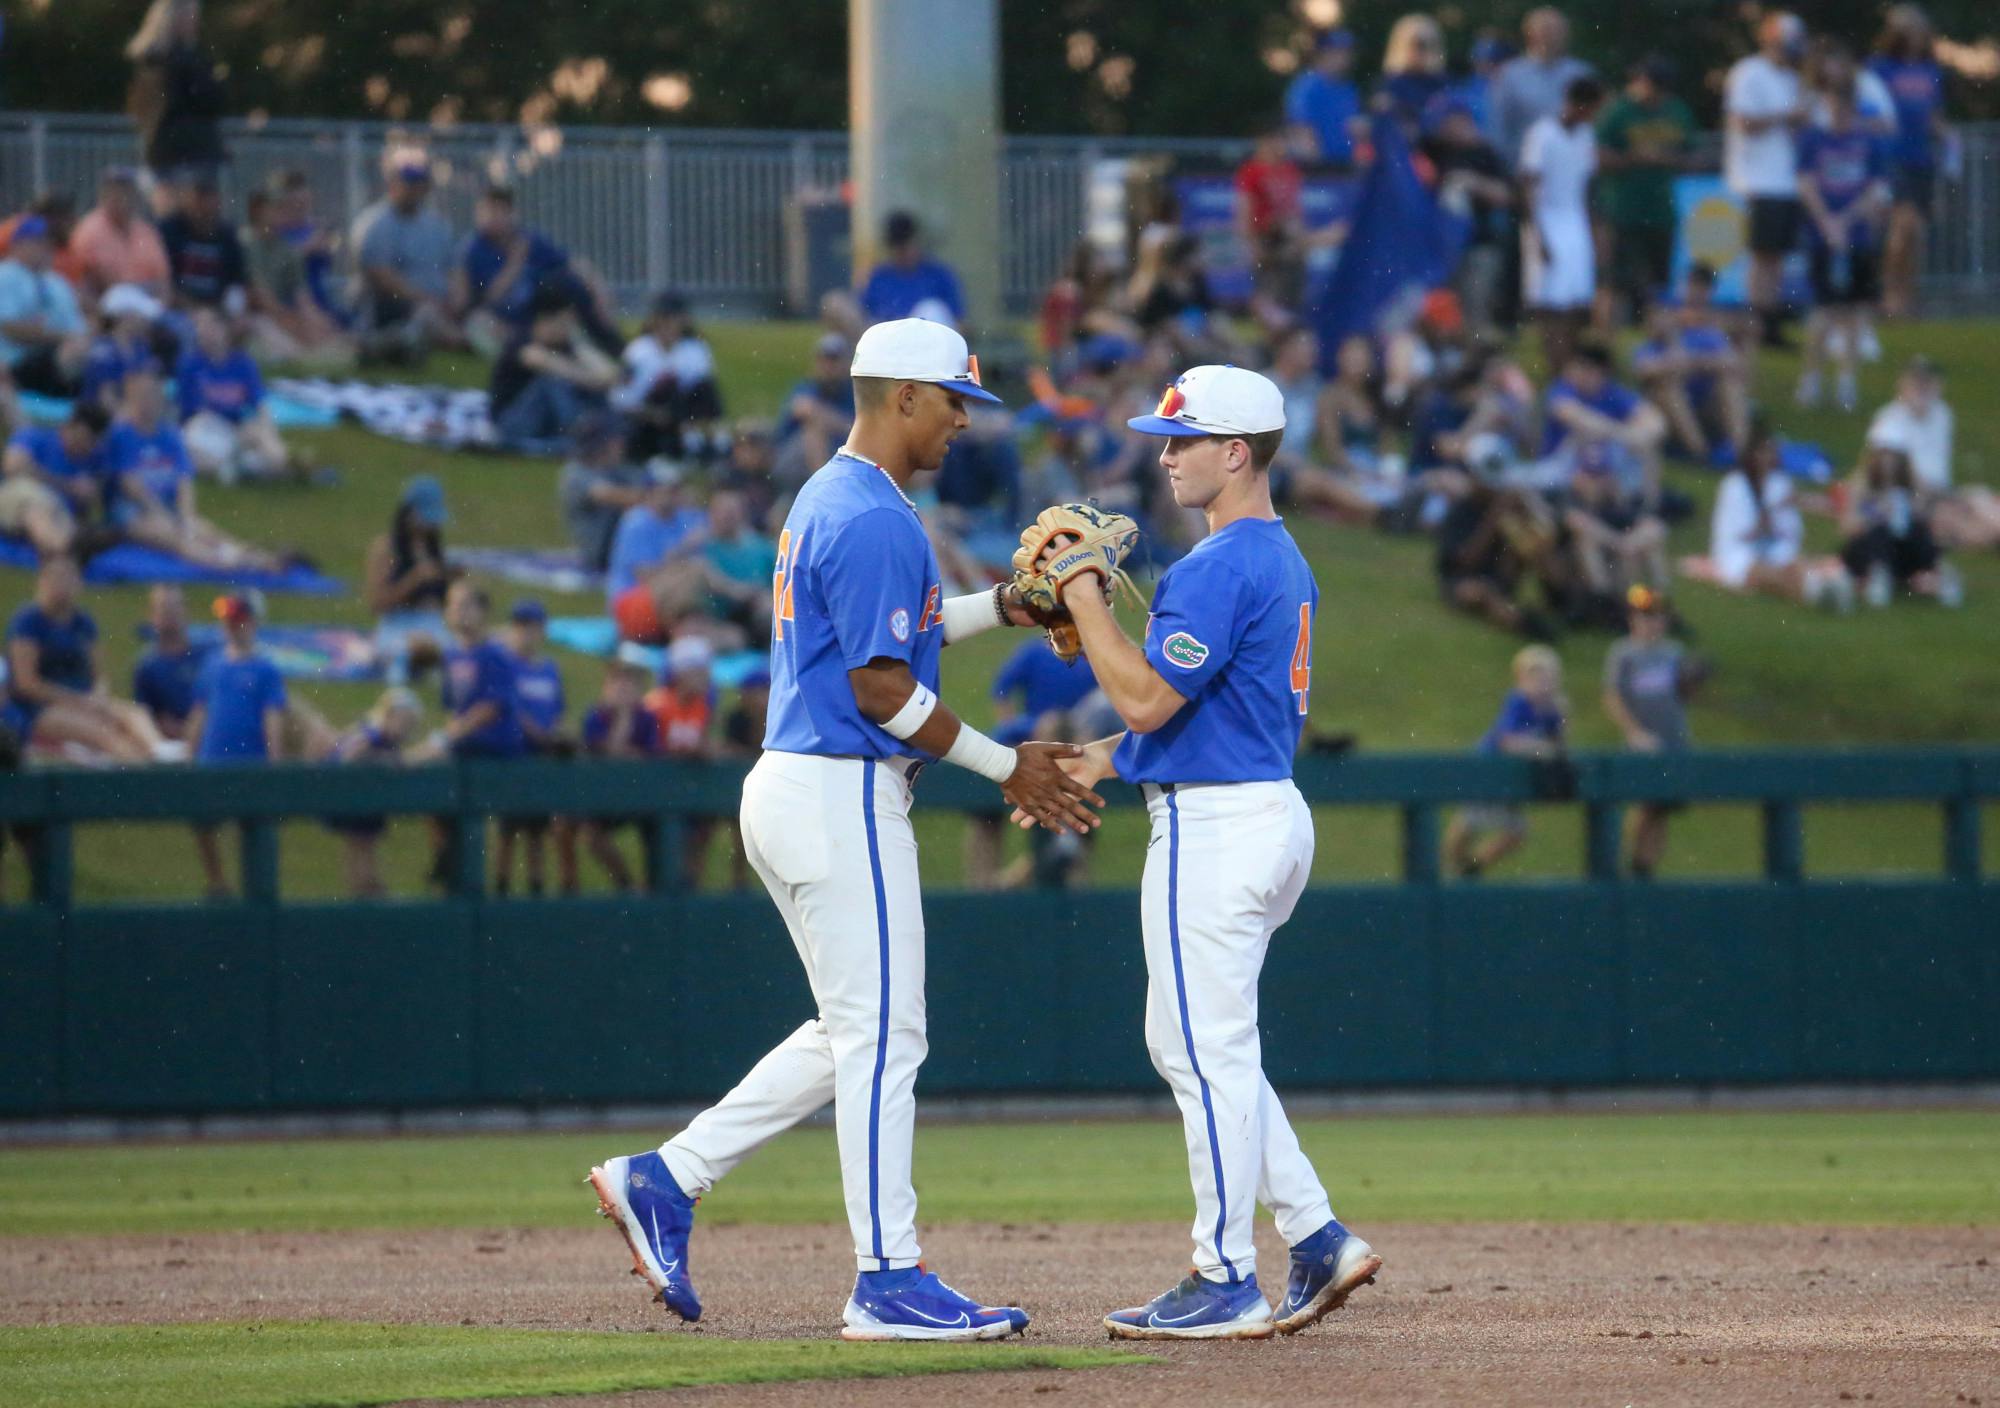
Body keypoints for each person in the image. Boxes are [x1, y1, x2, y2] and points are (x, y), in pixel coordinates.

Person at [585, 317, 1096, 1341]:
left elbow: (896, 633)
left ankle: (665, 1176)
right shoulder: (872, 516)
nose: (963, 418)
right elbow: (877, 686)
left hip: (800, 784)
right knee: (886, 1034)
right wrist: (1008, 766)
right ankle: (885, 1276)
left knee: (850, 1030)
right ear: (901, 395)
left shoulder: (841, 496)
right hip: (837, 785)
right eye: (952, 398)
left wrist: (1003, 602)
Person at [1015, 364, 1378, 1339]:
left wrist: (1086, 594)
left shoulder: (1216, 564)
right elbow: (1184, 715)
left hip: (1214, 830)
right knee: (1200, 1044)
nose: (1164, 453)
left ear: (1236, 451)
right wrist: (1093, 760)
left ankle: (1222, 1275)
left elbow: (1143, 699)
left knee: (1204, 1048)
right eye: (1163, 437)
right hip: (1258, 807)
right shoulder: (1275, 555)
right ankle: (1313, 1235)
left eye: (1183, 438)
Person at [104, 367, 285, 572]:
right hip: (133, 512)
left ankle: (252, 557)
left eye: (152, 395)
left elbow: (184, 479)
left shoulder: (169, 435)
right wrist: (162, 514)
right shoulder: (122, 436)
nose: (148, 402)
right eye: (142, 396)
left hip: (167, 507)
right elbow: (130, 485)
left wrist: (186, 515)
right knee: (174, 536)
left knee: (204, 530)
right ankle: (230, 564)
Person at [3, 556, 173, 763]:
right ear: (43, 582)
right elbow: (27, 683)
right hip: (42, 707)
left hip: (84, 699)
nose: (63, 585)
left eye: (68, 578)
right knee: (105, 733)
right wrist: (78, 701)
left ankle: (163, 754)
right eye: (56, 578)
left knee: (135, 714)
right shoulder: (28, 622)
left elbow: (98, 673)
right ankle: (145, 774)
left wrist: (99, 695)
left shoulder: (83, 622)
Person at [1794, 59, 1891, 414]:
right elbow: (1805, 182)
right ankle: (1811, 378)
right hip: (1822, 236)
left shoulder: (1868, 142)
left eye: (1839, 106)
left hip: (1858, 235)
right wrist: (1826, 222)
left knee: (1853, 312)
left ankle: (1846, 380)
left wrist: (1846, 222)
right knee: (1821, 311)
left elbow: (1876, 188)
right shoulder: (1814, 139)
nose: (1833, 113)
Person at [186, 591, 287, 898]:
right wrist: (189, 753)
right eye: (228, 621)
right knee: (202, 822)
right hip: (212, 762)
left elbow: (273, 718)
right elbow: (200, 713)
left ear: (252, 623)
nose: (232, 627)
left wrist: (275, 761)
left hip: (250, 763)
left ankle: (257, 892)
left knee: (255, 830)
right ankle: (218, 883)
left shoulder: (265, 670)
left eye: (239, 621)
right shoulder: (213, 665)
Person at [1601, 584, 1701, 879]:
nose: (1651, 623)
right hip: (1643, 740)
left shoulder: (1673, 652)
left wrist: (1694, 680)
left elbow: (1682, 695)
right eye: (1645, 617)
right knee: (1644, 802)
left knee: (1665, 806)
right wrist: (1633, 732)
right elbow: (1613, 695)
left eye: (1657, 617)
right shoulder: (1624, 653)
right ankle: (1633, 859)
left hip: (1673, 738)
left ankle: (1648, 865)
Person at [1444, 644, 1567, 879]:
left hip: (1512, 780)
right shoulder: (1518, 703)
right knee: (1470, 821)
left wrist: (1561, 720)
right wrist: (1542, 748)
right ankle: (1454, 867)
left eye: (1546, 679)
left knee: (1515, 832)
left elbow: (1559, 744)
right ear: (1520, 680)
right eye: (1533, 678)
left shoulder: (1552, 710)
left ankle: (1472, 868)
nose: (1540, 685)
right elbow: (1507, 741)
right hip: (1490, 770)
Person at [1695, 425, 1853, 608]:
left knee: (1791, 567)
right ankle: (1818, 594)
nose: (1766, 458)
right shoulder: (1733, 486)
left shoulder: (1779, 483)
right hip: (1741, 553)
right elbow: (1732, 533)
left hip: (1774, 549)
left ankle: (1819, 591)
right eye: (1762, 452)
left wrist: (1779, 521)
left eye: (1771, 452)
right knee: (1769, 574)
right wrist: (1765, 523)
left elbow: (1791, 532)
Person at [455, 185, 621, 358]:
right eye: (488, 211)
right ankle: (611, 347)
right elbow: (492, 297)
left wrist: (595, 284)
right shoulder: (473, 249)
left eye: (499, 211)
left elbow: (569, 263)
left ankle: (609, 344)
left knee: (572, 284)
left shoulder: (528, 238)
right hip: (504, 317)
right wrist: (515, 262)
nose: (493, 217)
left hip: (539, 309)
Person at [1725, 12, 1808, 350]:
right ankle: (1755, 321)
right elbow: (1744, 122)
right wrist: (1786, 117)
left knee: (1776, 256)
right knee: (1761, 255)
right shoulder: (1749, 73)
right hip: (1758, 177)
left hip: (1786, 178)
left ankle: (1769, 322)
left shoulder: (1792, 78)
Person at [1594, 56, 1696, 325]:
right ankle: (1606, 344)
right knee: (1614, 281)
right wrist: (1635, 158)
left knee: (1660, 283)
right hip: (1622, 208)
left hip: (1661, 209)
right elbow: (1597, 156)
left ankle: (1659, 341)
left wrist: (1664, 158)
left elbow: (1691, 155)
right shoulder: (1618, 111)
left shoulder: (1677, 111)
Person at [1519, 76, 1606, 374]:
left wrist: (1594, 231)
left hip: (1575, 224)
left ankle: (1569, 369)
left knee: (1576, 305)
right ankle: (1556, 372)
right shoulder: (1542, 134)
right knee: (1550, 305)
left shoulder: (1586, 135)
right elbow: (1529, 185)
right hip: (1547, 221)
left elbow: (1588, 187)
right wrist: (1538, 236)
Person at [1870, 5, 1951, 320]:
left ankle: (1907, 296)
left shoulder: (1930, 70)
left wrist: (1948, 135)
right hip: (1893, 158)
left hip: (1922, 158)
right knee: (1904, 226)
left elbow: (1934, 115)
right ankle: (1891, 295)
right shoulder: (1880, 68)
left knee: (1916, 233)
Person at [1630, 266, 1750, 466]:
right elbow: (1643, 369)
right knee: (1667, 388)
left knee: (1730, 384)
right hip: (1668, 417)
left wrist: (1696, 362)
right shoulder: (1648, 347)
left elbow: (1734, 365)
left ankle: (1740, 452)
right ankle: (1700, 452)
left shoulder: (1705, 335)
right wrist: (1673, 364)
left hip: (1704, 408)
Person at [352, 156, 464, 361]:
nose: (414, 190)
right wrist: (428, 300)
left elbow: (455, 270)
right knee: (426, 315)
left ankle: (431, 340)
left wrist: (457, 299)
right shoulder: (376, 223)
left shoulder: (436, 225)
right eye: (409, 184)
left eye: (419, 185)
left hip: (439, 306)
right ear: (393, 184)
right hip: (395, 308)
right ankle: (462, 343)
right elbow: (383, 277)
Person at [495, 599, 570, 899]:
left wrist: (554, 734)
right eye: (521, 627)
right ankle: (501, 885)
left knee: (537, 830)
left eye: (533, 628)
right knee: (507, 828)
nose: (527, 634)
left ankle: (536, 886)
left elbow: (558, 709)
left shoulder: (549, 670)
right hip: (516, 754)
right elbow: (509, 708)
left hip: (542, 757)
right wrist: (536, 732)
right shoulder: (507, 666)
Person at [320, 687, 426, 899]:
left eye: (410, 724)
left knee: (364, 845)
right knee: (360, 844)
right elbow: (348, 757)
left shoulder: (382, 738)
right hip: (354, 800)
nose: (406, 729)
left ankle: (367, 889)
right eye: (403, 721)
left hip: (365, 800)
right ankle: (365, 891)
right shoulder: (372, 734)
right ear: (388, 715)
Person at [176, 307, 302, 482]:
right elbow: (189, 414)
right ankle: (247, 466)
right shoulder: (190, 364)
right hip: (206, 428)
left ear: (224, 330)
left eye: (210, 326)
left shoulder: (243, 363)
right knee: (192, 445)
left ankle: (271, 464)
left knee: (266, 441)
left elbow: (260, 403)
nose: (204, 332)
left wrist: (267, 428)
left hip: (235, 428)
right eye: (200, 327)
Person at [489, 289, 618, 453]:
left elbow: (610, 374)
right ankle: (581, 433)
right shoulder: (522, 342)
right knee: (552, 382)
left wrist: (579, 347)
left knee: (594, 391)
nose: (569, 329)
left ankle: (599, 431)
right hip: (511, 422)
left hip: (543, 422)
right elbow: (550, 365)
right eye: (564, 323)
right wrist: (593, 380)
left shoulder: (566, 345)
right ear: (545, 320)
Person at [241, 187, 354, 370]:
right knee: (290, 351)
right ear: (257, 210)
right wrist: (297, 327)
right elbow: (262, 300)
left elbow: (303, 299)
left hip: (283, 318)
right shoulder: (244, 245)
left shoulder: (285, 249)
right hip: (255, 320)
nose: (284, 213)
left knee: (339, 347)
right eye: (277, 207)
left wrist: (322, 327)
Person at [1541, 342, 1666, 507]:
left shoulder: (1612, 393)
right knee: (1591, 439)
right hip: (1562, 466)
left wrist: (1635, 437)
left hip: (1607, 463)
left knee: (1646, 448)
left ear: (1601, 372)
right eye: (1576, 367)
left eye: (1584, 369)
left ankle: (1648, 508)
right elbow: (1576, 418)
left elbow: (1657, 423)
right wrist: (1625, 434)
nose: (1576, 374)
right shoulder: (1562, 390)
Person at [577, 655, 661, 893]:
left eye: (630, 682)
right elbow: (603, 751)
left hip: (641, 797)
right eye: (616, 681)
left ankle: (655, 887)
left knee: (659, 832)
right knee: (591, 835)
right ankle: (626, 884)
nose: (623, 688)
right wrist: (623, 722)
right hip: (602, 798)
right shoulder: (595, 717)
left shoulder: (647, 718)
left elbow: (651, 756)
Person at [1839, 443, 1960, 607]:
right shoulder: (1863, 487)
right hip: (1871, 548)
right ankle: (1878, 578)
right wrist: (1876, 514)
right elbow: (1848, 527)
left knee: (1918, 531)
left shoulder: (1912, 486)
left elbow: (1928, 514)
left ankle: (1939, 575)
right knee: (1879, 532)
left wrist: (1913, 508)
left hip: (1902, 549)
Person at [365, 475, 457, 684]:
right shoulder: (386, 548)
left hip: (433, 623)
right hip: (397, 624)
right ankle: (406, 666)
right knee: (416, 647)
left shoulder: (433, 548)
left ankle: (431, 666)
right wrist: (414, 580)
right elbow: (377, 604)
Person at [612, 291, 724, 463]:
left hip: (683, 415)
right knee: (666, 388)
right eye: (663, 319)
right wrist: (654, 414)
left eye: (673, 319)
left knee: (702, 387)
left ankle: (709, 442)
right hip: (648, 417)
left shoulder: (696, 349)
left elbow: (705, 392)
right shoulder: (638, 352)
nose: (668, 325)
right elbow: (621, 399)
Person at [125, 0, 227, 188]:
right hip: (190, 149)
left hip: (163, 148)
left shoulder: (151, 58)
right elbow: (209, 99)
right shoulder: (184, 59)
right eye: (190, 15)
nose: (195, 21)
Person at [1, 403, 109, 558]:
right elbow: (13, 466)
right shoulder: (36, 436)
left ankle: (62, 551)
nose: (87, 446)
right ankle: (59, 551)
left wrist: (87, 496)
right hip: (20, 500)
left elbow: (89, 506)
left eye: (92, 442)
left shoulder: (92, 459)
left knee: (60, 521)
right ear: (71, 426)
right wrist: (67, 485)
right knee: (36, 504)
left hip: (60, 515)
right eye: (85, 438)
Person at [1491, 7, 1594, 167]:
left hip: (1571, 168)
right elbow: (1498, 127)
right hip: (1524, 169)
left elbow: (1593, 122)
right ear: (1529, 34)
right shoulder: (1510, 75)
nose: (1551, 37)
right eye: (1546, 30)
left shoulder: (1581, 74)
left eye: (1557, 31)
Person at [0, 216, 89, 396]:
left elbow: (78, 329)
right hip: (16, 360)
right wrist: (60, 337)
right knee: (73, 351)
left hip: (54, 357)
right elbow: (8, 327)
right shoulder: (6, 275)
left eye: (47, 242)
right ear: (18, 244)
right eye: (37, 242)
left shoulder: (57, 282)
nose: (44, 248)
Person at [558, 411, 651, 574]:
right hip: (598, 552)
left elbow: (648, 484)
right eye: (616, 440)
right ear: (600, 444)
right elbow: (606, 494)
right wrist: (657, 497)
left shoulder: (617, 470)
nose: (622, 444)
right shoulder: (576, 473)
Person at [68, 168, 172, 306]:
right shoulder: (88, 231)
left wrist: (160, 306)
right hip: (108, 306)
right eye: (115, 191)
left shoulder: (146, 231)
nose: (122, 197)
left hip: (149, 303)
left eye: (126, 191)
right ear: (103, 195)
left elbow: (163, 279)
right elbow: (91, 280)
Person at [158, 172, 248, 317]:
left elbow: (237, 282)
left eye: (209, 199)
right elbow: (165, 282)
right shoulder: (169, 231)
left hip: (219, 311)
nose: (204, 207)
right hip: (180, 310)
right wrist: (196, 311)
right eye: (198, 199)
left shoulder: (226, 236)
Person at [775, 331, 857, 489]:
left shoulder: (852, 393)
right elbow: (804, 409)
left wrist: (824, 416)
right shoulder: (806, 387)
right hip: (792, 461)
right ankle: (823, 489)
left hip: (840, 456)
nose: (829, 366)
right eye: (825, 360)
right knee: (813, 431)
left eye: (835, 360)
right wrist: (839, 423)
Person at [855, 211, 965, 326]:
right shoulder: (879, 276)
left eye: (905, 247)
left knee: (931, 309)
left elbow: (960, 321)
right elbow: (863, 314)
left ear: (916, 242)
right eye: (896, 248)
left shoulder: (938, 275)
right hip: (891, 337)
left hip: (928, 338)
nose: (901, 254)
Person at [132, 584, 203, 742]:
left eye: (175, 607)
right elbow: (146, 719)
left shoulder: (206, 658)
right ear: (152, 616)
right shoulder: (147, 666)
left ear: (186, 612)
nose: (170, 615)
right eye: (164, 609)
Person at [81, 283, 165, 413]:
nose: (145, 321)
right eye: (140, 315)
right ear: (125, 317)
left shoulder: (142, 348)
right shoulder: (103, 350)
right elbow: (106, 399)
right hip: (100, 420)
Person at [1285, 29, 1362, 167]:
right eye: (1338, 52)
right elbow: (1301, 128)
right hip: (1320, 169)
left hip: (1345, 167)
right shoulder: (1307, 86)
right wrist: (1315, 167)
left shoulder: (1348, 88)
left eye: (1347, 52)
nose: (1344, 57)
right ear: (1323, 54)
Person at [1375, 14, 1451, 138]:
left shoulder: (1443, 85)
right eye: (1414, 45)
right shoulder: (1389, 85)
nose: (1418, 52)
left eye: (1424, 45)